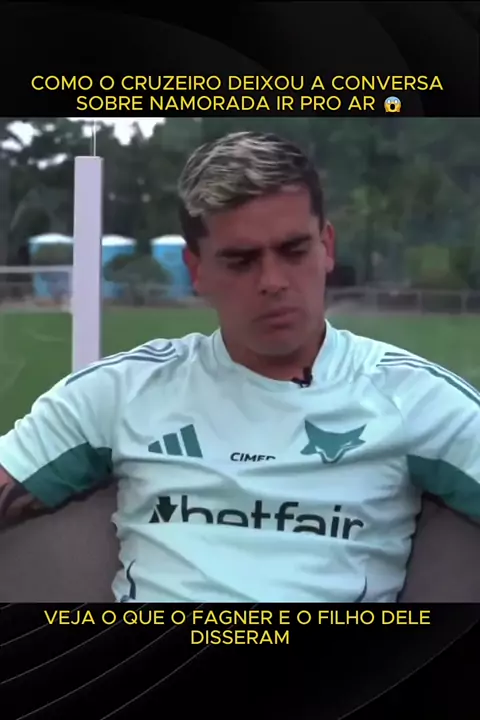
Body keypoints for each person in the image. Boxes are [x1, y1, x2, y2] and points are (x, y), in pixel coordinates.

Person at [1, 131, 479, 602]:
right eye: (241, 261)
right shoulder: (123, 389)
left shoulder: (411, 396)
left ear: (327, 246)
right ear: (197, 270)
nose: (273, 281)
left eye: (293, 251)